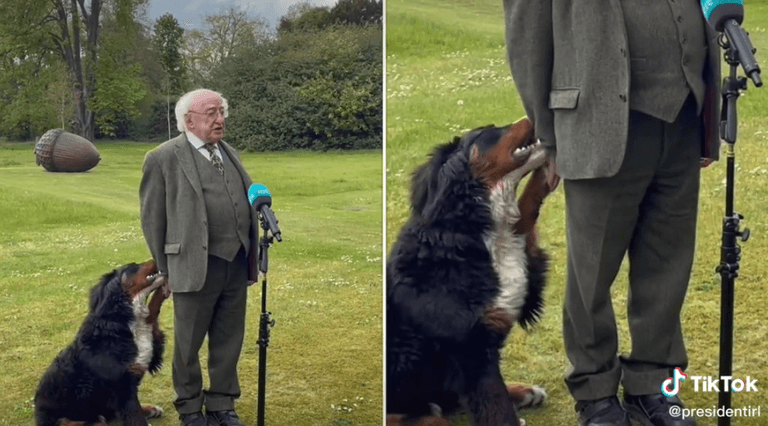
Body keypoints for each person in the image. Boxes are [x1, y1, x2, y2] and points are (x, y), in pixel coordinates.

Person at [504, 1, 721, 426]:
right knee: (592, 274)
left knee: (667, 266)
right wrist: (549, 135)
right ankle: (595, 392)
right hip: (596, 125)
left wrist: (708, 119)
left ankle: (654, 385)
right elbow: (527, 37)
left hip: (682, 118)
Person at [140, 88, 258, 426]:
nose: (220, 119)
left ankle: (222, 403)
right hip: (191, 266)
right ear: (188, 121)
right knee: (187, 344)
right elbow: (152, 219)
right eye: (211, 114)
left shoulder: (228, 151)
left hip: (235, 262)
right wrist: (166, 270)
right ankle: (190, 409)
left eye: (221, 112)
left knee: (228, 339)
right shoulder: (162, 158)